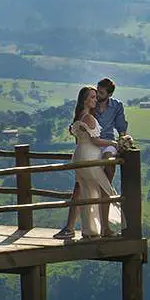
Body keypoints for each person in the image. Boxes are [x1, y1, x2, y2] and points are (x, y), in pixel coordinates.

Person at [55, 78, 127, 238]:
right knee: (81, 186)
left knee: (104, 180)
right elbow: (87, 133)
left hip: (102, 145)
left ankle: (103, 227)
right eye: (95, 93)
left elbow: (121, 128)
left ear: (109, 94)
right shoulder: (90, 111)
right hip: (93, 147)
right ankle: (71, 226)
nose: (97, 96)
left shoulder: (115, 106)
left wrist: (122, 141)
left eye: (100, 93)